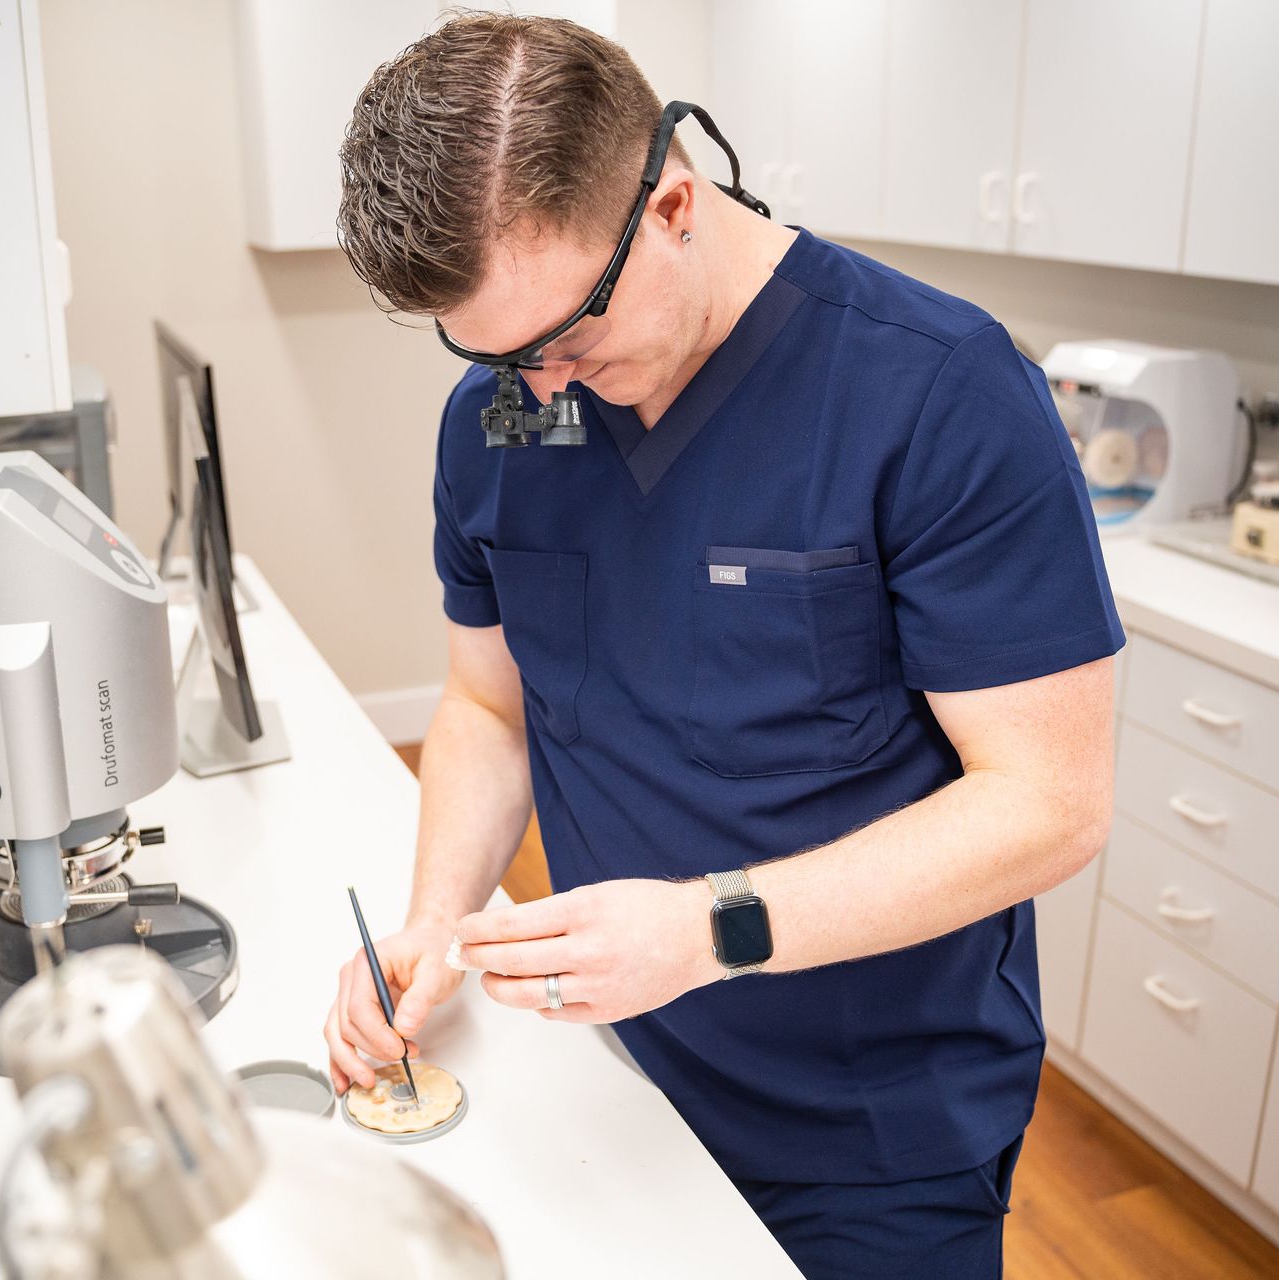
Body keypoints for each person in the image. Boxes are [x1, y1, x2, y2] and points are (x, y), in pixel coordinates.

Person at [322, 13, 1121, 1277]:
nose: (533, 393)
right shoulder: (504, 416)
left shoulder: (940, 394)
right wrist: (435, 917)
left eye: (565, 340)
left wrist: (708, 930)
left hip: (873, 1137)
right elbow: (489, 704)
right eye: (491, 353)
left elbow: (1051, 805)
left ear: (675, 203)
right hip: (616, 1077)